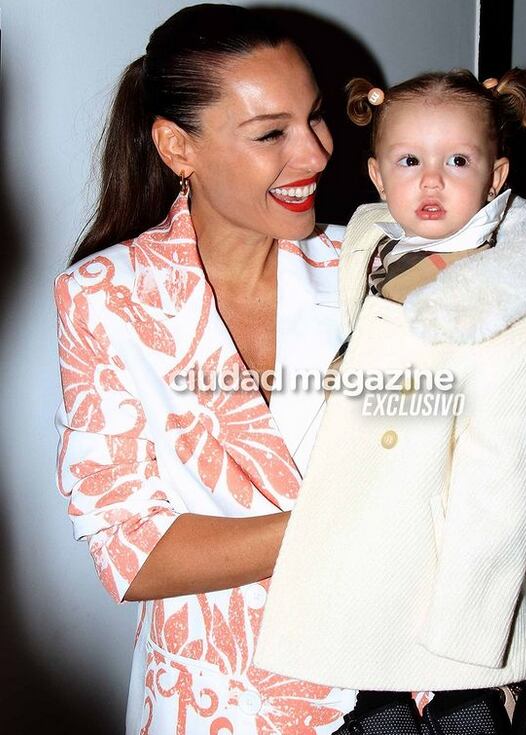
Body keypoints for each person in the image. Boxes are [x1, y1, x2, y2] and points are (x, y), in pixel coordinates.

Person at [53, 5, 359, 733]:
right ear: (176, 146)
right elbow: (132, 550)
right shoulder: (104, 298)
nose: (316, 153)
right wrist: (348, 520)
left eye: (314, 117)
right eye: (271, 133)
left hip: (384, 685)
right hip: (212, 696)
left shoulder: (374, 267)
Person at [254, 69, 526, 733]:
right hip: (376, 545)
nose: (431, 181)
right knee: (376, 696)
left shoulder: (509, 314)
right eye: (410, 160)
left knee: (464, 710)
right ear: (377, 177)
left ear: (496, 175)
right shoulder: (378, 250)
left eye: (458, 160)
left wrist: (471, 628)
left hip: (451, 575)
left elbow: (504, 488)